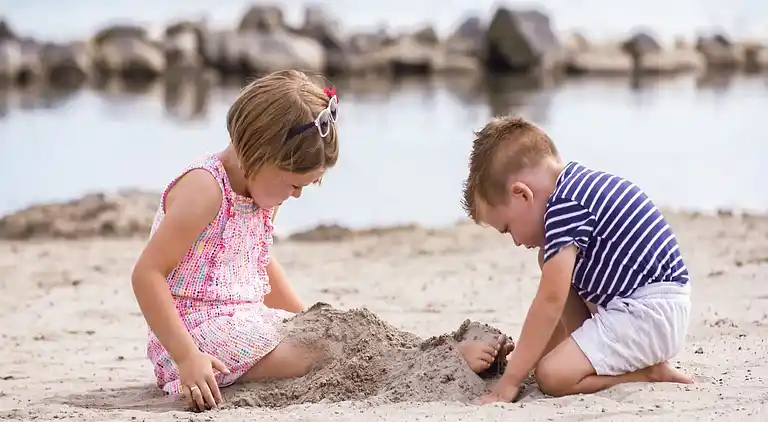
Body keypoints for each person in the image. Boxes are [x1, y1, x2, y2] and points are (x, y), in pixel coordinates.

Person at [131, 69, 504, 413]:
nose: (296, 196)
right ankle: (441, 363)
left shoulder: (261, 189)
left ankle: (431, 351)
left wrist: (308, 318)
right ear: (257, 154)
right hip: (194, 336)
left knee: (339, 328)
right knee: (322, 352)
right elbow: (147, 274)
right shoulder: (205, 190)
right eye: (294, 184)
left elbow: (257, 262)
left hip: (242, 319)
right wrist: (186, 357)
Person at [458, 115, 694, 404]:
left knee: (552, 377)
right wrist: (527, 355)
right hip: (656, 308)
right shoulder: (575, 187)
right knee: (549, 260)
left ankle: (648, 374)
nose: (516, 241)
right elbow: (558, 306)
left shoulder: (564, 208)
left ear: (522, 195)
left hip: (648, 314)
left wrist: (511, 380)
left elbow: (550, 301)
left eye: (507, 228)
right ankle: (582, 355)